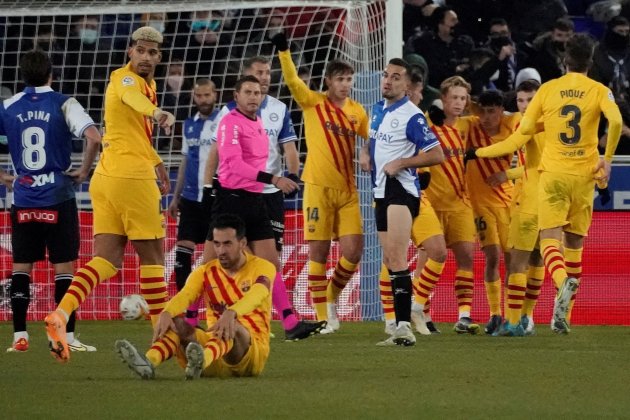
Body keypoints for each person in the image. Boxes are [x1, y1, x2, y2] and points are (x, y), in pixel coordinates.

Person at [44, 26, 176, 362]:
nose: (145, 57)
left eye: (152, 52)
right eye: (141, 51)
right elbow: (134, 101)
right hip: (131, 180)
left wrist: (158, 161)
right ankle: (164, 344)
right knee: (153, 261)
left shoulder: (149, 84)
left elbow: (132, 132)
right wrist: (158, 112)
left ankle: (60, 315)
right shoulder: (125, 79)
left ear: (159, 57)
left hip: (105, 178)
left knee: (106, 260)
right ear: (130, 51)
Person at [203, 57, 322, 340]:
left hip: (256, 200)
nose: (254, 96)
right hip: (230, 200)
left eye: (257, 92)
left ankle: (290, 323)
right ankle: (192, 315)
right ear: (237, 95)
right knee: (210, 263)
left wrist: (286, 176)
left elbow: (280, 152)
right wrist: (274, 179)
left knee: (270, 264)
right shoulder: (229, 121)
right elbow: (234, 164)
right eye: (248, 91)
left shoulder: (259, 121)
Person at [515, 33, 622, 333]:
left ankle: (562, 283)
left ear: (565, 59)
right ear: (591, 60)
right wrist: (608, 159)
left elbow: (524, 128)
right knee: (574, 242)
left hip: (553, 174)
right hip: (585, 175)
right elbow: (615, 122)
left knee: (550, 238)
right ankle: (563, 318)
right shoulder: (600, 90)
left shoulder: (548, 90)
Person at [0, 50, 101, 353]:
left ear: (23, 75)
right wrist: (83, 171)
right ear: (51, 74)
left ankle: (20, 336)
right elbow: (94, 137)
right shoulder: (64, 103)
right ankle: (66, 337)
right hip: (58, 196)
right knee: (64, 268)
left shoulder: (7, 106)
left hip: (24, 197)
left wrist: (3, 176)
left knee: (21, 266)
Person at [272, 32, 370, 333]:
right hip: (316, 187)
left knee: (353, 252)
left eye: (349, 79)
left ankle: (329, 298)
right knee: (319, 253)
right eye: (340, 79)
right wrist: (284, 53)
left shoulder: (357, 112)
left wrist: (366, 151)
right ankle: (323, 317)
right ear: (328, 81)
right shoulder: (313, 103)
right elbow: (293, 82)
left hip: (348, 190)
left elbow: (374, 140)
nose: (345, 84)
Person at [115, 214, 275, 380]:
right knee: (176, 322)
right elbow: (186, 294)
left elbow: (258, 293)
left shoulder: (263, 267)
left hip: (250, 354)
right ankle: (149, 361)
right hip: (213, 351)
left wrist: (231, 312)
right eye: (217, 244)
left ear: (242, 243)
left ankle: (201, 360)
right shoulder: (205, 271)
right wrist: (167, 312)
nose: (221, 251)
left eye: (227, 244)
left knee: (231, 326)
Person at [365, 59, 444, 346]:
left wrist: (403, 162)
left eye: (396, 77)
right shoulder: (377, 109)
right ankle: (398, 325)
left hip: (401, 190)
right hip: (381, 191)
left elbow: (437, 154)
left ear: (407, 85)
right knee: (390, 260)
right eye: (386, 75)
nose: (387, 80)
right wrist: (366, 154)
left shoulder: (412, 116)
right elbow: (372, 141)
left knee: (397, 259)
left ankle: (403, 326)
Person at [468, 80, 546, 336]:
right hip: (514, 200)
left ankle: (520, 319)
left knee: (521, 260)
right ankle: (509, 316)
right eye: (522, 100)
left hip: (526, 200)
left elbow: (538, 164)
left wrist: (504, 172)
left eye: (531, 100)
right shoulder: (521, 122)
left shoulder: (531, 126)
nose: (525, 105)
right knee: (511, 258)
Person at [425, 76, 479, 334]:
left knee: (467, 257)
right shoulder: (427, 123)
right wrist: (432, 105)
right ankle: (422, 314)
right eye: (453, 98)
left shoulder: (468, 126)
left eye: (462, 98)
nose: (458, 103)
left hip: (460, 203)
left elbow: (492, 114)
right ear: (443, 99)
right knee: (428, 261)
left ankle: (464, 316)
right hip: (431, 205)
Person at [464, 89, 519, 335]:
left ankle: (512, 315)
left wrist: (505, 175)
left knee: (511, 259)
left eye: (492, 111)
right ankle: (495, 313)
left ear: (500, 111)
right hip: (479, 203)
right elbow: (451, 114)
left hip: (508, 202)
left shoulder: (512, 125)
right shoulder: (470, 126)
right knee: (493, 256)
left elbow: (535, 163)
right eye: (483, 112)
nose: (487, 117)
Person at [167, 79, 219, 327]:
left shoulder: (223, 122)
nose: (203, 99)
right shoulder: (188, 125)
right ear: (193, 97)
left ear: (215, 95)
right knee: (182, 253)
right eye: (199, 95)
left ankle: (216, 307)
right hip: (190, 198)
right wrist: (175, 197)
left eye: (207, 95)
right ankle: (186, 308)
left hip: (215, 197)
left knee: (219, 256)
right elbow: (185, 161)